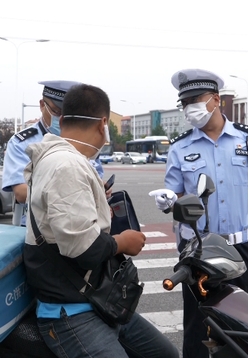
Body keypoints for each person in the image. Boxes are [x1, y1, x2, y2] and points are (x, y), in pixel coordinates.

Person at [23, 84, 178, 358]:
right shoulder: (67, 165)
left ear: (62, 119)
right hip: (71, 311)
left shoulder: (62, 158)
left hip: (99, 300)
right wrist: (122, 242)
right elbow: (82, 248)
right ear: (103, 123)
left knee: (164, 353)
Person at [149, 69, 248, 358]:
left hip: (241, 248)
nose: (190, 108)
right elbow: (176, 197)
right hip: (199, 250)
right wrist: (168, 202)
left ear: (216, 99)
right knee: (199, 326)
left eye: (196, 99)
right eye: (184, 102)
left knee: (244, 324)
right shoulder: (180, 146)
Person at [2, 80, 105, 226]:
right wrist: (76, 192)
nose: (62, 118)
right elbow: (21, 193)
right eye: (57, 111)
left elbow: (97, 179)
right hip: (38, 227)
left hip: (83, 222)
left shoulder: (85, 141)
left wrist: (101, 188)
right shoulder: (22, 143)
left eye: (68, 113)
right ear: (42, 105)